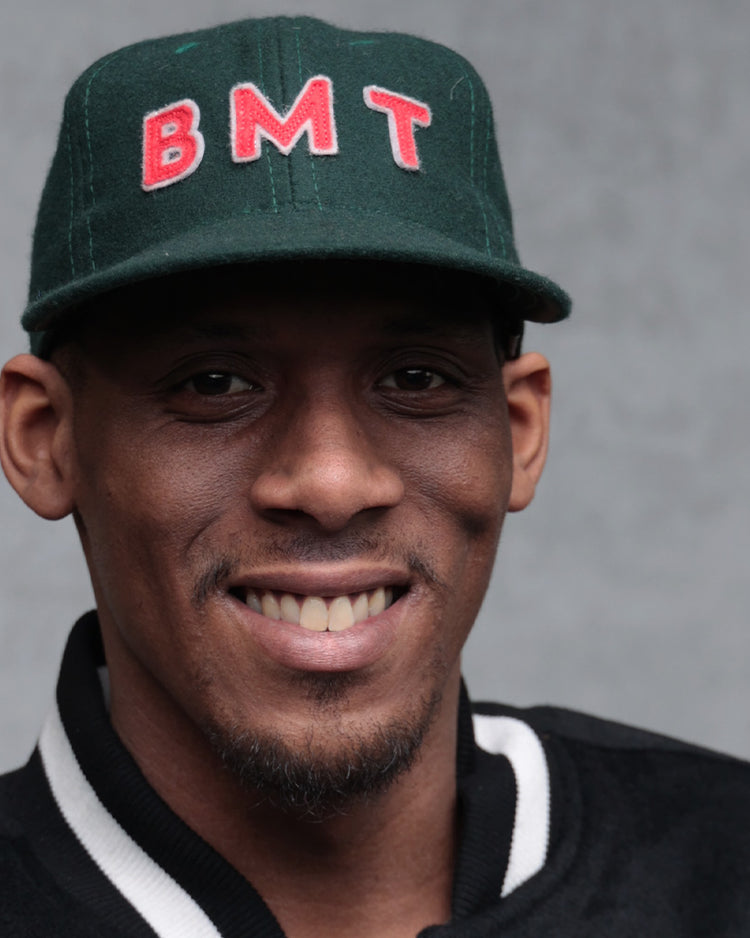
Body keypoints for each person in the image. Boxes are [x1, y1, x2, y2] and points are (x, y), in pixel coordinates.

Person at [0, 14, 748, 938]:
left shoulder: (724, 862)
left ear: (520, 430)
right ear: (45, 440)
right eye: (214, 384)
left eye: (415, 379)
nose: (330, 481)